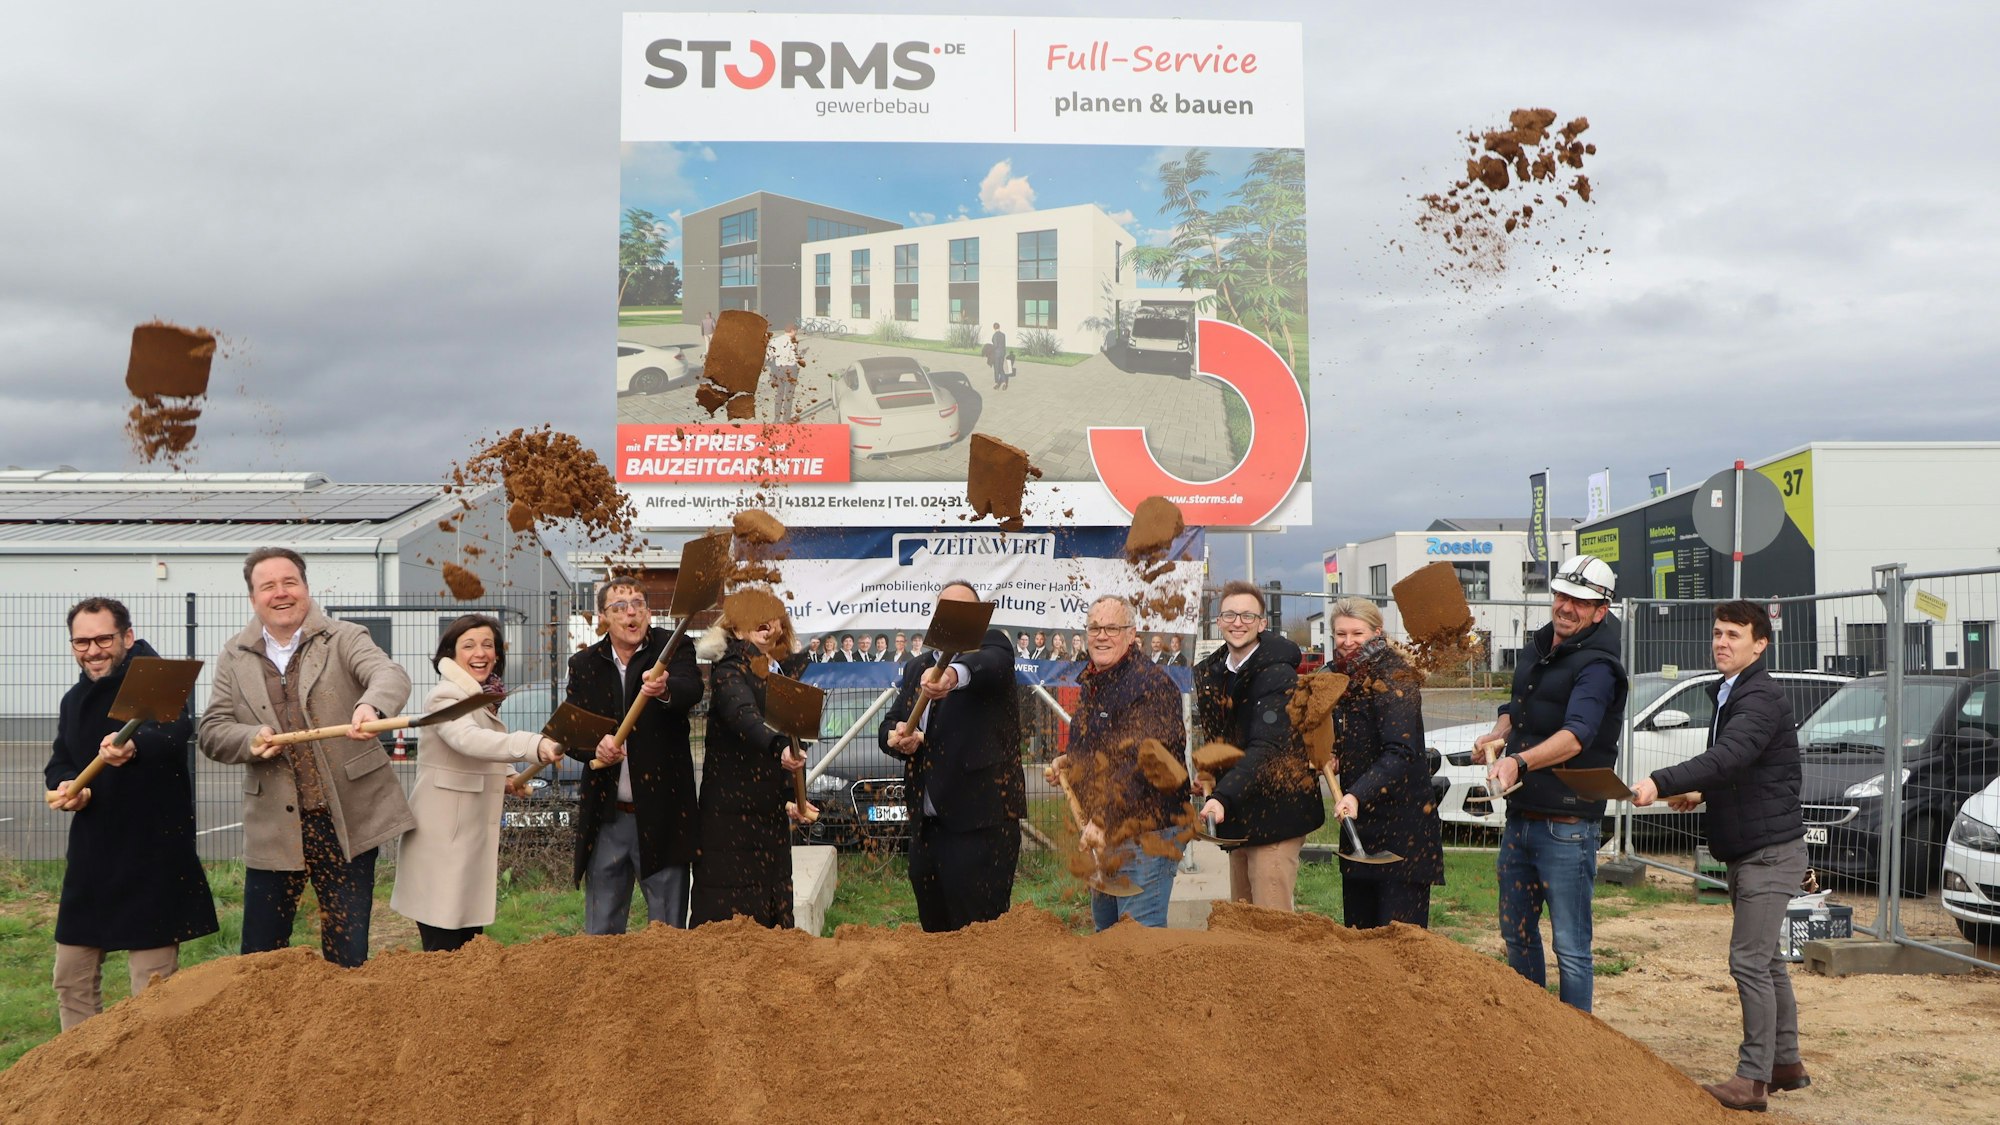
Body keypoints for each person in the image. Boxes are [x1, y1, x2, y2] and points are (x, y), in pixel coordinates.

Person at [1632, 601, 1813, 1112]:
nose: (1721, 642)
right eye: (1717, 633)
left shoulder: (1759, 696)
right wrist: (1703, 796)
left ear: (1760, 644)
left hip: (1769, 854)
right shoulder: (1733, 690)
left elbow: (1730, 756)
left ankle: (1753, 1081)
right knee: (1767, 961)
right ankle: (1786, 1063)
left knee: (1748, 961)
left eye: (1734, 634)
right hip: (1752, 845)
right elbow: (1751, 771)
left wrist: (1662, 781)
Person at [199, 547, 413, 967]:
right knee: (261, 957)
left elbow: (390, 675)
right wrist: (250, 738)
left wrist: (371, 706)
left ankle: (343, 1026)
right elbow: (212, 729)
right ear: (253, 598)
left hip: (345, 820)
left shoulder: (344, 638)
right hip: (275, 827)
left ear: (306, 588)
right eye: (268, 586)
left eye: (289, 582)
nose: (281, 593)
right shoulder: (235, 656)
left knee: (347, 952)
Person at [46, 598, 216, 1030]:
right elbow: (61, 761)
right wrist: (68, 785)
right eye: (81, 641)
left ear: (126, 637)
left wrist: (134, 747)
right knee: (71, 977)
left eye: (103, 638)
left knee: (154, 989)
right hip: (92, 856)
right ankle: (80, 1072)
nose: (93, 650)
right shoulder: (74, 699)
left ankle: (151, 1080)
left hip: (152, 854)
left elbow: (173, 732)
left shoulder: (154, 679)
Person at [1471, 554, 1628, 1012]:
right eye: (1561, 595)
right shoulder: (1540, 646)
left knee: (1572, 950)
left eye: (1580, 601)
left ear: (1601, 610)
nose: (1566, 606)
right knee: (1516, 938)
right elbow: (1517, 705)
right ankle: (1532, 1036)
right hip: (1522, 819)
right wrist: (1498, 733)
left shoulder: (1598, 667)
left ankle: (1576, 1051)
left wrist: (1517, 763)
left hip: (1567, 825)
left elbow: (1576, 737)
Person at [391, 615, 567, 952]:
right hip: (442, 843)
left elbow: (477, 754)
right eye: (468, 645)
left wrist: (507, 776)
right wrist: (533, 746)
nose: (480, 652)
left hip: (465, 843)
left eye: (488, 645)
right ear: (451, 654)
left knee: (469, 947)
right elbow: (469, 740)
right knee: (444, 951)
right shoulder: (446, 696)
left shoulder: (480, 696)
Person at [880, 582, 1023, 931]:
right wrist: (896, 736)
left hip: (980, 828)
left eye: (965, 611)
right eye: (947, 609)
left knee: (979, 939)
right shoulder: (918, 667)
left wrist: (951, 677)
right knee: (935, 935)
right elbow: (891, 721)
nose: (956, 618)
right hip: (927, 831)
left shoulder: (995, 648)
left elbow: (985, 665)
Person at [564, 579, 703, 933]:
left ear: (649, 612)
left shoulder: (671, 649)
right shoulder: (585, 664)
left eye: (638, 603)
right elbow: (572, 732)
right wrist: (595, 747)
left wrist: (665, 687)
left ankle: (669, 988)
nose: (631, 612)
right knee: (603, 931)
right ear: (603, 618)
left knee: (667, 928)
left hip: (662, 816)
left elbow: (692, 688)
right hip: (608, 817)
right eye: (620, 606)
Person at [1049, 595, 1189, 930]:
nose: (1101, 635)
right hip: (1107, 833)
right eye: (1095, 627)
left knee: (1137, 944)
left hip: (1145, 834)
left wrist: (1102, 817)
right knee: (1108, 938)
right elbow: (1110, 745)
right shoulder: (1096, 681)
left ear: (1131, 634)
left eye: (1112, 627)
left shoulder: (1150, 685)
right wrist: (1072, 760)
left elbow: (1141, 763)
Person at [1193, 581, 1323, 911]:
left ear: (1262, 624)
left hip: (1278, 813)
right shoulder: (1213, 673)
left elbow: (1266, 747)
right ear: (1218, 621)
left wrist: (1222, 796)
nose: (1238, 622)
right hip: (1239, 809)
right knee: (1242, 917)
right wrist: (1209, 774)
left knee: (1271, 922)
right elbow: (1220, 739)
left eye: (1248, 616)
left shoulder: (1278, 675)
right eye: (1231, 615)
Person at [690, 596, 809, 928]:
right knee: (730, 921)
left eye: (772, 617)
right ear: (736, 628)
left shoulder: (784, 674)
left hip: (769, 816)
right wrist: (778, 747)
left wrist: (793, 796)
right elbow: (743, 716)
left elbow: (794, 741)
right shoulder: (730, 669)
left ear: (781, 627)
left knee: (772, 916)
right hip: (730, 818)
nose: (765, 622)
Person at [1325, 597, 1443, 927]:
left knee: (1399, 942)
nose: (1348, 642)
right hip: (1360, 828)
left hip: (1402, 829)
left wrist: (1356, 794)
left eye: (1357, 633)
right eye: (1340, 634)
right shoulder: (1342, 677)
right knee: (1359, 940)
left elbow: (1400, 751)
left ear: (1377, 633)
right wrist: (1336, 754)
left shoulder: (1395, 676)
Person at [767, 322, 801, 423]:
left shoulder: (774, 340)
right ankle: (786, 419)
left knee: (779, 394)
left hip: (778, 370)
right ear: (793, 331)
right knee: (789, 395)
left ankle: (776, 419)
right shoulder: (793, 342)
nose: (796, 333)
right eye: (796, 331)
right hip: (790, 370)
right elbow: (795, 358)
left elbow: (769, 356)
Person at [989, 322, 1008, 390]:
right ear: (999, 327)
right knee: (1001, 368)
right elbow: (1004, 345)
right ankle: (1004, 383)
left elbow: (995, 345)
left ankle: (997, 383)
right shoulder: (1003, 335)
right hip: (1002, 353)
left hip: (996, 354)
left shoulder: (995, 335)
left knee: (996, 369)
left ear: (994, 328)